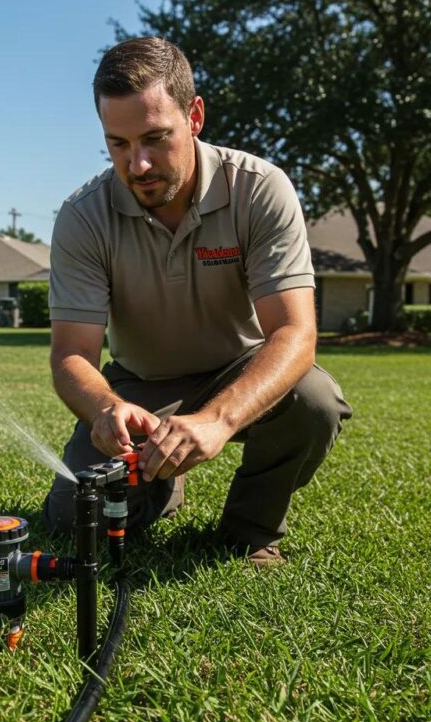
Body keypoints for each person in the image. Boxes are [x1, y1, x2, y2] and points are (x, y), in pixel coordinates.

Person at [43, 37, 352, 566]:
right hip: (139, 387)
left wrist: (218, 420)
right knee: (75, 516)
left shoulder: (259, 189)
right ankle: (163, 486)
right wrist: (105, 407)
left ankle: (250, 529)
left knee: (314, 402)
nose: (137, 164)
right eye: (117, 143)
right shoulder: (83, 216)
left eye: (155, 138)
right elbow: (72, 353)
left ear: (195, 116)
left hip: (240, 370)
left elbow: (294, 333)